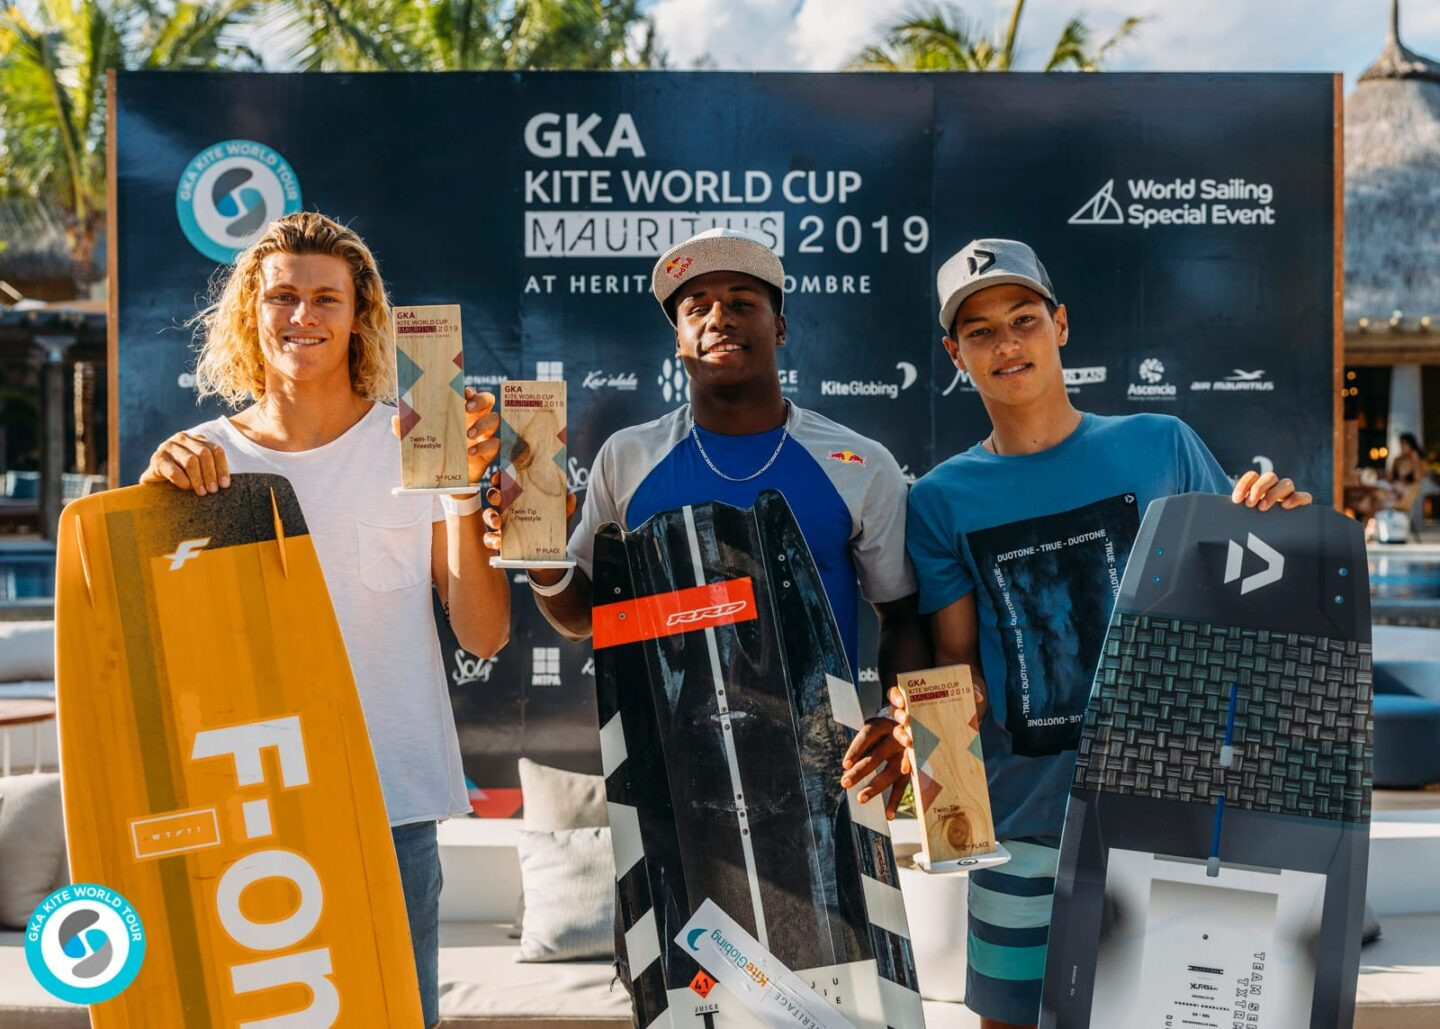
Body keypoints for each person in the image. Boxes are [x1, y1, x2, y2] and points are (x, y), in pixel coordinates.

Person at [877, 238, 1312, 1029]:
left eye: (1023, 319)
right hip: (1024, 820)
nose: (1007, 343)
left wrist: (1276, 522)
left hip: (1170, 808)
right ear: (955, 353)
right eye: (980, 331)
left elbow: (1244, 602)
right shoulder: (940, 498)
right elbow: (954, 662)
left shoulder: (1162, 445)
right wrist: (937, 749)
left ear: (1061, 325)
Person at [141, 211, 510, 1029]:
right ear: (250, 313)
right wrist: (150, 500)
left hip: (393, 807)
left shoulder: (424, 446)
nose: (301, 317)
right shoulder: (197, 461)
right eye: (281, 297)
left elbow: (484, 635)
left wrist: (461, 496)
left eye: (325, 299)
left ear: (360, 316)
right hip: (250, 807)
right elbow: (161, 650)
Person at [484, 227, 927, 815]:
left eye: (743, 303)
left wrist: (896, 724)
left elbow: (901, 614)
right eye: (698, 308)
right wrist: (540, 555)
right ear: (678, 340)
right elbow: (582, 620)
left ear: (780, 327)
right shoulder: (628, 457)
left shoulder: (858, 463)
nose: (720, 318)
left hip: (825, 777)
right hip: (671, 778)